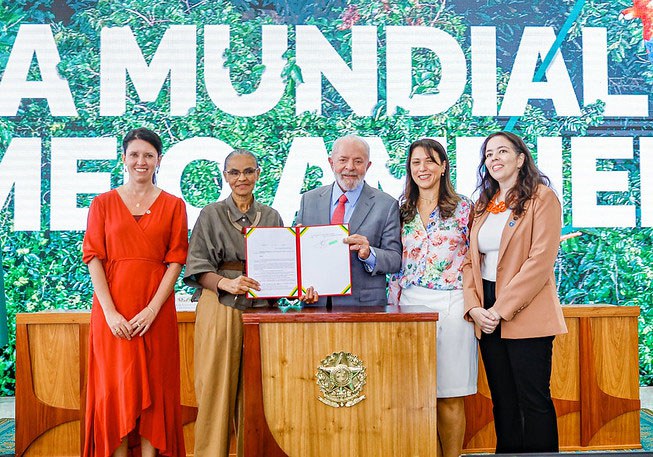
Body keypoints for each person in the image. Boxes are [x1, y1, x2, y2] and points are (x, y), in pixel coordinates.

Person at [184, 149, 317, 456]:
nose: (241, 178)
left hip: (261, 312)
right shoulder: (210, 214)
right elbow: (196, 268)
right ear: (225, 176)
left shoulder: (271, 216)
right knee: (216, 392)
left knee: (259, 395)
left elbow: (283, 271)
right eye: (234, 172)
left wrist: (300, 290)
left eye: (247, 171)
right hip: (221, 307)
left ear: (258, 174)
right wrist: (226, 282)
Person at [83, 128, 188, 457]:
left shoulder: (174, 205)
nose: (141, 161)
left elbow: (176, 261)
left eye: (148, 155)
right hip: (111, 314)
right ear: (124, 159)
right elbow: (93, 258)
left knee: (156, 391)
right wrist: (111, 313)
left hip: (155, 313)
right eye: (134, 155)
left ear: (159, 160)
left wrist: (153, 310)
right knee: (113, 391)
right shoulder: (101, 203)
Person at [462, 131, 567, 454]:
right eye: (489, 154)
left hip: (525, 311)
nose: (494, 158)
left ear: (521, 159)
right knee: (503, 403)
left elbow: (540, 261)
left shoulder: (542, 198)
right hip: (487, 312)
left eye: (502, 151)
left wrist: (500, 309)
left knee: (533, 401)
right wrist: (476, 308)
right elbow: (469, 261)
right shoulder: (483, 205)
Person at [388, 138, 477, 457]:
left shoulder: (465, 206)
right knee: (416, 394)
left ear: (443, 167)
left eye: (429, 161)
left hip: (452, 303)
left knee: (450, 394)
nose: (422, 168)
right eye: (416, 163)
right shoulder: (401, 209)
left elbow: (476, 256)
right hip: (408, 304)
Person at [295, 135, 401, 306]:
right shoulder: (309, 200)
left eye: (358, 161)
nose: (350, 167)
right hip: (316, 304)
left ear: (368, 165)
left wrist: (369, 254)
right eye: (343, 160)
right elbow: (298, 257)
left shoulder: (386, 204)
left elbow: (395, 259)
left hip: (364, 307)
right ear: (331, 163)